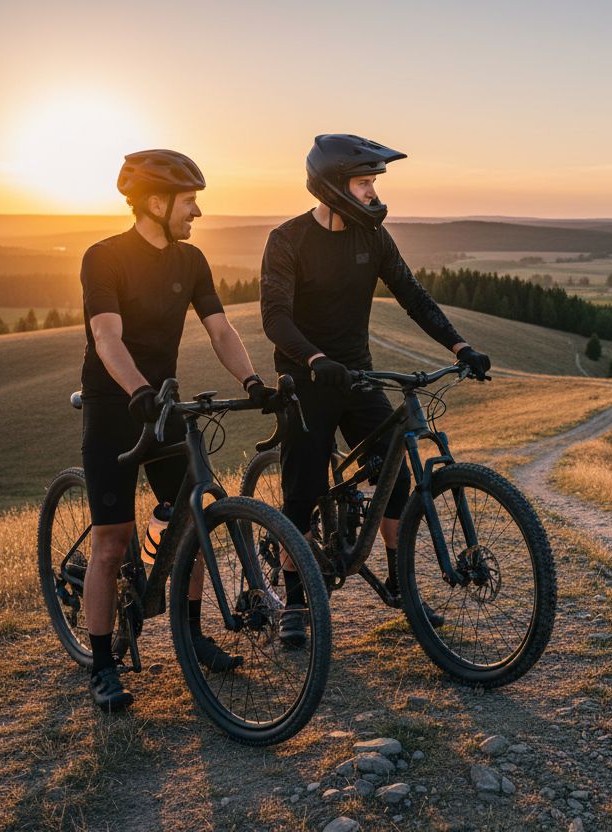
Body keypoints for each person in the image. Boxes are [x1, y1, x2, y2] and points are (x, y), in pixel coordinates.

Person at [260, 134, 491, 645]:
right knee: (302, 491)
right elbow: (275, 318)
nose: (373, 192)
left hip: (358, 375)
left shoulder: (373, 239)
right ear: (333, 186)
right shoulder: (288, 239)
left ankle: (400, 582)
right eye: (364, 182)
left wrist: (460, 346)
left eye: (372, 183)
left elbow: (412, 295)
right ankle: (295, 599)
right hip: (305, 380)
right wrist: (316, 359)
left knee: (396, 476)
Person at [79, 149, 277, 711]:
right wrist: (137, 390)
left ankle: (191, 636)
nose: (196, 212)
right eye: (189, 201)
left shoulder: (190, 261)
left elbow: (220, 329)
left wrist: (253, 379)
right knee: (111, 541)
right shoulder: (104, 257)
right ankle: (101, 664)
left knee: (194, 521)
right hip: (114, 408)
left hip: (163, 408)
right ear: (157, 202)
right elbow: (106, 338)